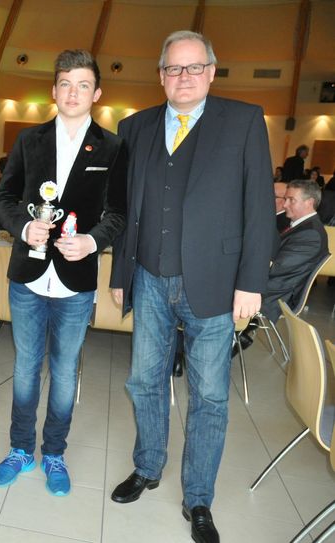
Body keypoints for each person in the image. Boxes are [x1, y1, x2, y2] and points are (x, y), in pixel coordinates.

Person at [108, 30, 273, 543]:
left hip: (217, 286)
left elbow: (259, 208)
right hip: (150, 280)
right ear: (160, 75)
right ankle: (148, 467)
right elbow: (125, 210)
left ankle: (199, 497)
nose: (184, 77)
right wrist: (120, 275)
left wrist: (251, 282)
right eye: (174, 69)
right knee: (144, 381)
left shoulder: (244, 122)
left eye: (193, 67)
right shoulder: (133, 127)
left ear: (211, 71)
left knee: (209, 397)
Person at [0, 49, 127, 497]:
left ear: (97, 93)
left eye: (83, 85)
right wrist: (23, 227)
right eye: (65, 84)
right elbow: (4, 199)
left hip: (76, 279)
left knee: (65, 372)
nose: (73, 92)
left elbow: (118, 213)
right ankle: (18, 449)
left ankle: (54, 453)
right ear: (53, 90)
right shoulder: (29, 141)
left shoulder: (111, 148)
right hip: (28, 275)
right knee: (26, 368)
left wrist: (91, 241)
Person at [239, 180, 328, 352]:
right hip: (272, 285)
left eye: (291, 200)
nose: (285, 204)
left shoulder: (311, 234)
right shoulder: (301, 226)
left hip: (274, 294)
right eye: (285, 199)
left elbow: (275, 267)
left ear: (309, 202)